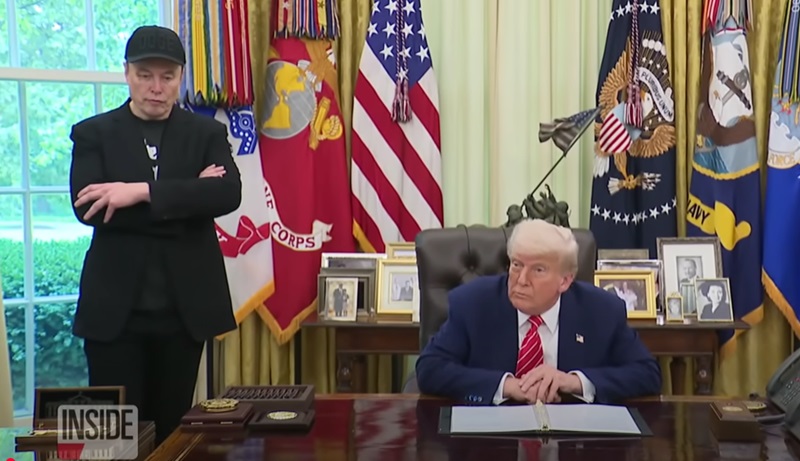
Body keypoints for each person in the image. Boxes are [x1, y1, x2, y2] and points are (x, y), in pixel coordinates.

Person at [68, 25, 241, 443]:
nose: (156, 88)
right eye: (145, 75)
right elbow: (90, 209)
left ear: (181, 77)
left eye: (167, 76)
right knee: (112, 438)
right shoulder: (93, 133)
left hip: (184, 312)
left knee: (172, 435)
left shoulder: (206, 133)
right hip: (114, 315)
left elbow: (227, 194)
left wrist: (138, 192)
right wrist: (189, 195)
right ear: (127, 73)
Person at [415, 219, 662, 405]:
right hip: (490, 439)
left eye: (538, 270)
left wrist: (573, 381)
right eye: (516, 264)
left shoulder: (602, 310)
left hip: (574, 441)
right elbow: (430, 368)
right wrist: (507, 386)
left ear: (565, 281)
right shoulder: (472, 303)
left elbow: (647, 374)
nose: (521, 279)